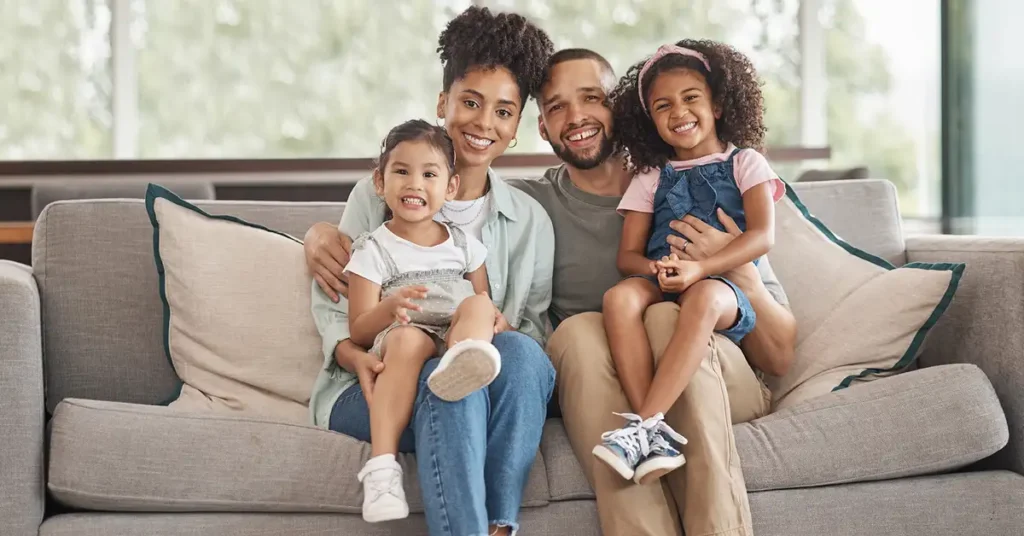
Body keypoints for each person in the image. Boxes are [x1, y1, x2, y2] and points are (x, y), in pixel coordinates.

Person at [516, 48, 795, 536]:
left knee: (665, 318)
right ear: (542, 126)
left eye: (591, 98)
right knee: (579, 333)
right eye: (557, 106)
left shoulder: (713, 186)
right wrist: (333, 231)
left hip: (720, 373)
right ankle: (645, 438)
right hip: (605, 375)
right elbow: (433, 182)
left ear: (618, 109)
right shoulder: (529, 205)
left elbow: (779, 351)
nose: (577, 116)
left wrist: (732, 262)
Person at [305, 7, 556, 536]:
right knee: (449, 385)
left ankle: (496, 523)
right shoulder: (384, 193)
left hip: (481, 370)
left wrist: (484, 330)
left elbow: (530, 327)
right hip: (376, 378)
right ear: (443, 103)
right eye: (470, 102)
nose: (484, 123)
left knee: (510, 357)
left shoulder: (530, 220)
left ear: (516, 129)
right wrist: (355, 352)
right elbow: (339, 305)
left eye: (503, 112)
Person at [590, 40, 786, 486]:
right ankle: (648, 430)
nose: (678, 111)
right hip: (667, 275)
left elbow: (762, 236)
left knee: (701, 299)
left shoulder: (746, 163)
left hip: (722, 285)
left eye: (691, 98)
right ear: (650, 121)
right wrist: (657, 271)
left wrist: (700, 268)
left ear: (717, 104)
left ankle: (644, 421)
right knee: (618, 299)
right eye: (663, 106)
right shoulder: (650, 176)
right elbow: (628, 257)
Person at [341, 119, 504, 522]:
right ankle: (382, 470)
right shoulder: (373, 249)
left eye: (429, 174)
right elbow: (359, 329)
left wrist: (494, 323)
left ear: (450, 187)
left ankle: (465, 362)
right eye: (401, 172)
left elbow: (481, 300)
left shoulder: (465, 245)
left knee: (481, 306)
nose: (415, 184)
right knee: (408, 341)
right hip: (406, 331)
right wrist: (388, 307)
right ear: (380, 182)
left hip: (454, 335)